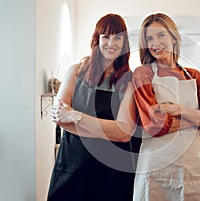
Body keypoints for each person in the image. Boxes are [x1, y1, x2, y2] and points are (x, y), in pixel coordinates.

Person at [47, 13, 141, 201]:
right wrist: (107, 129)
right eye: (106, 36)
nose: (111, 43)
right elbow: (59, 117)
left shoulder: (130, 81)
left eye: (118, 37)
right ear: (97, 40)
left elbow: (124, 133)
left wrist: (75, 117)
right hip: (72, 165)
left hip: (112, 172)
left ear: (125, 42)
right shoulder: (75, 71)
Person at [132, 13, 200, 201]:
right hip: (156, 167)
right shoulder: (143, 74)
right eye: (149, 38)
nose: (155, 43)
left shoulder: (195, 77)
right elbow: (154, 125)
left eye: (161, 35)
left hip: (190, 166)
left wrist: (180, 110)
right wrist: (196, 120)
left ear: (174, 37)